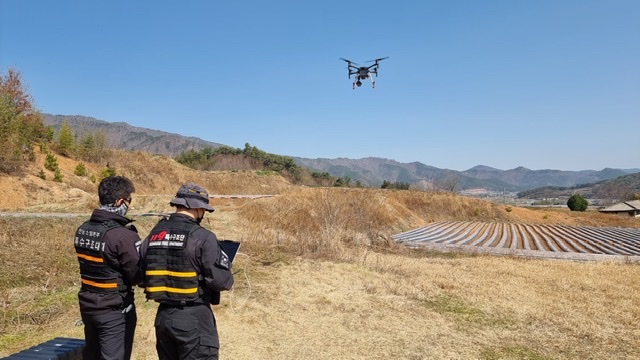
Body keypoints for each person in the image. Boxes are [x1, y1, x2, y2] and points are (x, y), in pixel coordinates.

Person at [140, 182, 234, 360]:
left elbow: (141, 272)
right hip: (194, 318)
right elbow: (221, 281)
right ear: (198, 209)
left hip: (163, 318)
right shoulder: (203, 237)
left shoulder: (154, 234)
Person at [74, 175, 141, 360]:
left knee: (93, 355)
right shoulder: (122, 235)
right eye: (129, 200)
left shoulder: (83, 228)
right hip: (114, 310)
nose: (129, 205)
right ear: (120, 201)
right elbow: (137, 275)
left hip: (88, 305)